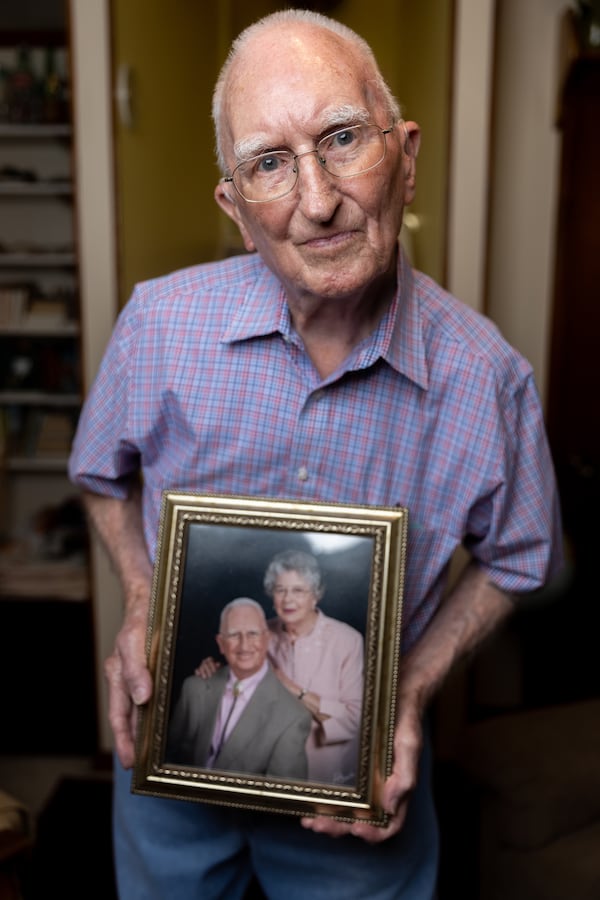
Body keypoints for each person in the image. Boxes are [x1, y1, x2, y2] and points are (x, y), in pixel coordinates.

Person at [68, 8, 563, 899]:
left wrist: (410, 691)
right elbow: (102, 473)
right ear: (234, 205)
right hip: (173, 765)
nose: (317, 199)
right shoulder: (157, 324)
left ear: (406, 156)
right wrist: (143, 597)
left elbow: (521, 557)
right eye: (267, 162)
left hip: (354, 792)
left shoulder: (489, 378)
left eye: (342, 139)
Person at [197, 549, 364, 785]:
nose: (288, 600)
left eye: (298, 590)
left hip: (327, 774)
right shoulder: (262, 632)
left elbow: (353, 721)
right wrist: (213, 671)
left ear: (315, 595)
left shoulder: (348, 640)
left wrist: (289, 686)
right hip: (270, 772)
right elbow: (236, 682)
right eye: (280, 590)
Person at [167, 597, 311, 778]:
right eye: (234, 634)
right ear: (220, 643)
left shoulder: (293, 717)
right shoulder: (194, 689)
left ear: (267, 639)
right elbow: (168, 760)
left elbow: (284, 801)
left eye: (253, 634)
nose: (244, 645)